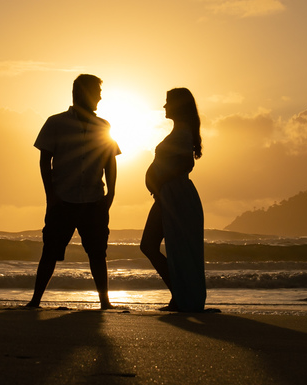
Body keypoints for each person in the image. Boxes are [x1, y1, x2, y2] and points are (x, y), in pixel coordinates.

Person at [26, 73, 121, 310]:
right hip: (63, 199)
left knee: (98, 252)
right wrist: (51, 194)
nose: (100, 96)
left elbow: (110, 161)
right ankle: (35, 300)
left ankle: (105, 302)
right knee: (50, 251)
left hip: (94, 199)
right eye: (97, 92)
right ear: (84, 93)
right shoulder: (55, 123)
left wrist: (111, 193)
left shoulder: (103, 126)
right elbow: (44, 160)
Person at [140, 87, 206, 312]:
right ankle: (179, 295)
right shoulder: (180, 131)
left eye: (168, 102)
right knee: (155, 246)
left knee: (154, 246)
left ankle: (180, 296)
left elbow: (186, 164)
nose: (164, 106)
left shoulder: (183, 132)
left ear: (177, 105)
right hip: (168, 195)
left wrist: (159, 183)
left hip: (174, 195)